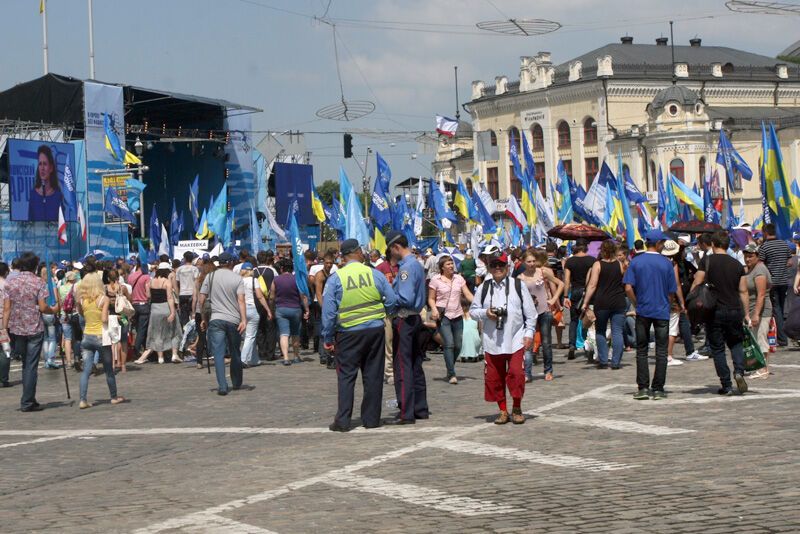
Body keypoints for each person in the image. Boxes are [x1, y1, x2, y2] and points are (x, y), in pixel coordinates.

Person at [322, 239, 397, 432]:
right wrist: (383, 314)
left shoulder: (336, 278)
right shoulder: (374, 274)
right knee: (373, 375)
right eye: (361, 250)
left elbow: (329, 312)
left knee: (346, 376)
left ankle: (343, 420)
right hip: (374, 331)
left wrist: (328, 337)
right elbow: (391, 300)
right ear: (356, 252)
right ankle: (371, 419)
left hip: (348, 333)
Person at [470, 248, 536, 424]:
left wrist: (529, 333)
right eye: (494, 265)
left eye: (501, 265)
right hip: (492, 340)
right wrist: (486, 313)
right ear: (489, 267)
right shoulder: (483, 287)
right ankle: (502, 410)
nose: (497, 268)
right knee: (495, 377)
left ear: (507, 266)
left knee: (516, 374)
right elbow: (473, 312)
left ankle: (516, 407)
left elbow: (531, 313)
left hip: (515, 338)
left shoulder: (517, 285)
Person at [690, 231, 750, 396]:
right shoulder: (737, 264)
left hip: (714, 311)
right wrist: (746, 314)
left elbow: (697, 281)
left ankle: (726, 384)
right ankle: (739, 371)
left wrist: (691, 300)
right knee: (736, 343)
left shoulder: (707, 261)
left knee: (717, 349)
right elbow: (743, 291)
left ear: (714, 245)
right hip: (734, 309)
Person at [2, 251, 60, 411]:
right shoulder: (38, 282)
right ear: (35, 266)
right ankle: (27, 401)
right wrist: (53, 310)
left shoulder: (10, 283)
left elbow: (7, 308)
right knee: (30, 365)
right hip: (34, 327)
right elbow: (42, 307)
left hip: (16, 328)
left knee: (25, 364)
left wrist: (4, 329)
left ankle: (29, 398)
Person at [623, 230, 676, 400]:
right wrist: (667, 304)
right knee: (661, 351)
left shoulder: (636, 262)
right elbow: (671, 291)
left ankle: (643, 387)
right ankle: (658, 388)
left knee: (642, 350)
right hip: (661, 310)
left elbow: (628, 287)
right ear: (659, 243)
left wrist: (636, 303)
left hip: (643, 310)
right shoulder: (667, 263)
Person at [385, 230, 429, 424]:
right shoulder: (416, 264)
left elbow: (405, 298)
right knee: (415, 365)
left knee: (402, 367)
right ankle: (419, 408)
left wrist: (388, 298)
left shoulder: (405, 269)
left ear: (396, 247)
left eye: (390, 250)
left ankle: (406, 412)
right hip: (415, 319)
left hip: (404, 318)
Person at [198, 252, 247, 395]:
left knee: (218, 354)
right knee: (235, 351)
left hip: (216, 319)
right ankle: (237, 381)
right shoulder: (237, 278)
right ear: (231, 263)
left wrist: (203, 318)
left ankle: (223, 386)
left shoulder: (210, 276)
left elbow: (202, 299)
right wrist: (244, 320)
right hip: (233, 320)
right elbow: (241, 300)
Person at [76, 272, 125, 409]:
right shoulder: (103, 299)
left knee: (86, 370)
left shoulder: (82, 300)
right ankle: (114, 397)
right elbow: (104, 319)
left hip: (87, 336)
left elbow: (81, 314)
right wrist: (115, 318)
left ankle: (82, 400)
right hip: (100, 337)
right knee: (108, 369)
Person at [428, 255, 474, 384]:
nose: (451, 266)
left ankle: (449, 368)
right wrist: (434, 309)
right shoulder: (435, 280)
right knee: (449, 344)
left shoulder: (459, 279)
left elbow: (467, 294)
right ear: (442, 267)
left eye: (451, 264)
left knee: (458, 345)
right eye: (448, 264)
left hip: (457, 314)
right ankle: (452, 373)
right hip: (443, 316)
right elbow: (431, 298)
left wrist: (478, 303)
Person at [519, 250, 563, 381]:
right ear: (523, 262)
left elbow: (561, 284)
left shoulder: (543, 272)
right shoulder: (520, 278)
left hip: (544, 311)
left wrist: (554, 300)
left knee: (546, 342)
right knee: (527, 343)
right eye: (529, 262)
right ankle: (527, 373)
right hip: (528, 314)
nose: (532, 264)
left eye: (533, 261)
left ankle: (548, 370)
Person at [583, 240, 627, 370]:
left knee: (600, 330)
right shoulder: (619, 264)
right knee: (617, 332)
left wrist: (585, 302)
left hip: (602, 301)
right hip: (618, 301)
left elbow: (592, 285)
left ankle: (603, 360)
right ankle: (616, 362)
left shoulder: (598, 264)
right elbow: (623, 281)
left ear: (602, 250)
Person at [135, 263, 182, 364]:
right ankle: (174, 354)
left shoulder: (151, 281)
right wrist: (173, 312)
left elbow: (148, 296)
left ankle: (160, 357)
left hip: (154, 309)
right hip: (165, 307)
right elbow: (169, 298)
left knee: (157, 333)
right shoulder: (167, 282)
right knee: (174, 330)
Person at [270, 258, 310, 366]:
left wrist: (271, 309)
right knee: (295, 334)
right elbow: (303, 297)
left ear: (282, 268)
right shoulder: (297, 279)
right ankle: (296, 356)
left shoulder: (276, 279)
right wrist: (307, 309)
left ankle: (286, 358)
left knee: (284, 334)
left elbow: (272, 296)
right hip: (295, 309)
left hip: (281, 309)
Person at [563, 239, 596, 360]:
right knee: (589, 319)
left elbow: (566, 280)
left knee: (574, 320)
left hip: (575, 291)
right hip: (588, 291)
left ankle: (572, 345)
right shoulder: (592, 260)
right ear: (586, 247)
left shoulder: (570, 261)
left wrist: (566, 296)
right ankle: (589, 347)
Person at [759, 223, 791, 347]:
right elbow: (789, 262)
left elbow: (760, 264)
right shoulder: (784, 244)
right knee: (781, 310)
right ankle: (782, 336)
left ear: (765, 233)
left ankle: (782, 339)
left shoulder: (764, 246)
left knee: (775, 310)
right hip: (784, 281)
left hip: (771, 282)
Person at [743, 243, 772, 379]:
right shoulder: (749, 269)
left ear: (757, 256)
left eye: (751, 256)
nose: (747, 259)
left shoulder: (760, 269)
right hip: (751, 308)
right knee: (754, 340)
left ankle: (764, 369)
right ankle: (757, 367)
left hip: (761, 310)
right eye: (746, 256)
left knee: (760, 338)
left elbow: (761, 294)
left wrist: (756, 314)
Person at [240, 262, 271, 367]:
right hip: (252, 309)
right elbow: (260, 296)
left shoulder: (238, 281)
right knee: (250, 336)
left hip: (241, 310)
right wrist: (268, 309)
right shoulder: (254, 280)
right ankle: (243, 359)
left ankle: (254, 359)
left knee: (249, 335)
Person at [375, 251, 399, 383]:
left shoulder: (402, 267)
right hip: (386, 310)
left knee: (399, 341)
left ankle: (398, 369)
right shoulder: (380, 269)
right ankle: (389, 372)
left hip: (401, 308)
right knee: (388, 342)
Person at [311, 251, 337, 367]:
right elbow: (318, 293)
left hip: (329, 305)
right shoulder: (320, 275)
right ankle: (323, 355)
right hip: (320, 304)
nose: (329, 265)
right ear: (323, 263)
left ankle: (328, 353)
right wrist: (323, 308)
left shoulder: (332, 274)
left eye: (331, 263)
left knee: (329, 329)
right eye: (327, 263)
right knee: (323, 329)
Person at [28, 145, 63, 221]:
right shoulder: (33, 194)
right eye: (40, 164)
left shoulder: (58, 195)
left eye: (45, 164)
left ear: (51, 168)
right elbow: (29, 222)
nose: (42, 168)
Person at [128, 261, 151, 358]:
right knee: (142, 329)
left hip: (133, 304)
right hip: (143, 304)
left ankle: (142, 347)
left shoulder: (130, 276)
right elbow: (148, 294)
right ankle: (136, 349)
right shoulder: (146, 277)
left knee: (137, 328)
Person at [175, 251, 199, 327]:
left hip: (182, 294)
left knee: (184, 316)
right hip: (192, 294)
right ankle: (192, 334)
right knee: (193, 315)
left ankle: (185, 333)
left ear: (184, 258)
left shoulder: (179, 269)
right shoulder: (195, 269)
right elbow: (196, 283)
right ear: (192, 259)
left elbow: (177, 284)